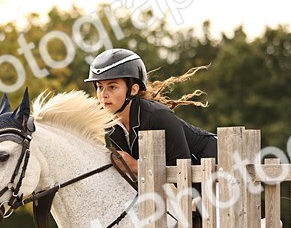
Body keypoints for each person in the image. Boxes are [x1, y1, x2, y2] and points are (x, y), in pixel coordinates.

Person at [84, 48, 217, 174]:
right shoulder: (110, 124)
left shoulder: (159, 116)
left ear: (133, 90)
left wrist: (135, 165)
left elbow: (183, 171)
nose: (103, 94)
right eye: (100, 87)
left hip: (216, 163)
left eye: (112, 87)